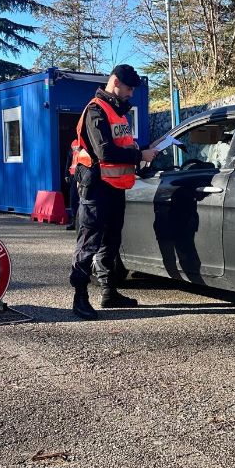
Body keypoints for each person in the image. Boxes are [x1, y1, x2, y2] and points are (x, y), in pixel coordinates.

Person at [69, 65, 157, 319]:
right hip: (96, 187)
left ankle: (109, 291)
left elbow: (123, 146)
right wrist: (140, 155)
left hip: (115, 187)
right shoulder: (96, 110)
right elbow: (105, 152)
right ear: (115, 82)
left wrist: (143, 152)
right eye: (128, 88)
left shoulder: (118, 113)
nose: (131, 93)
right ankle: (80, 298)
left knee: (111, 241)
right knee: (88, 243)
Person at [64, 142, 79, 231]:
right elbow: (69, 161)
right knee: (73, 200)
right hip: (74, 176)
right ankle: (74, 222)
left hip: (84, 175)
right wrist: (66, 174)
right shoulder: (74, 144)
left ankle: (80, 222)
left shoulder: (86, 142)